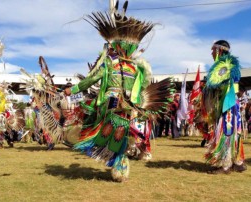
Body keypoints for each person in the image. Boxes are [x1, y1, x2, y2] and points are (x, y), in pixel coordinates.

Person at [64, 1, 174, 182]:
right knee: (120, 133)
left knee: (98, 124)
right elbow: (141, 84)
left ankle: (115, 161)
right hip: (128, 105)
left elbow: (91, 79)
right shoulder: (134, 66)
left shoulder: (110, 62)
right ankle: (118, 163)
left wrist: (73, 89)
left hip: (112, 102)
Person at [202, 40, 246, 174]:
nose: (211, 53)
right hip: (229, 105)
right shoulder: (222, 66)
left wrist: (215, 88)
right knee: (233, 133)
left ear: (219, 50)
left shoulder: (229, 66)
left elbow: (234, 86)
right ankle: (237, 162)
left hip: (228, 106)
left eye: (213, 50)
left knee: (226, 133)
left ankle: (226, 165)